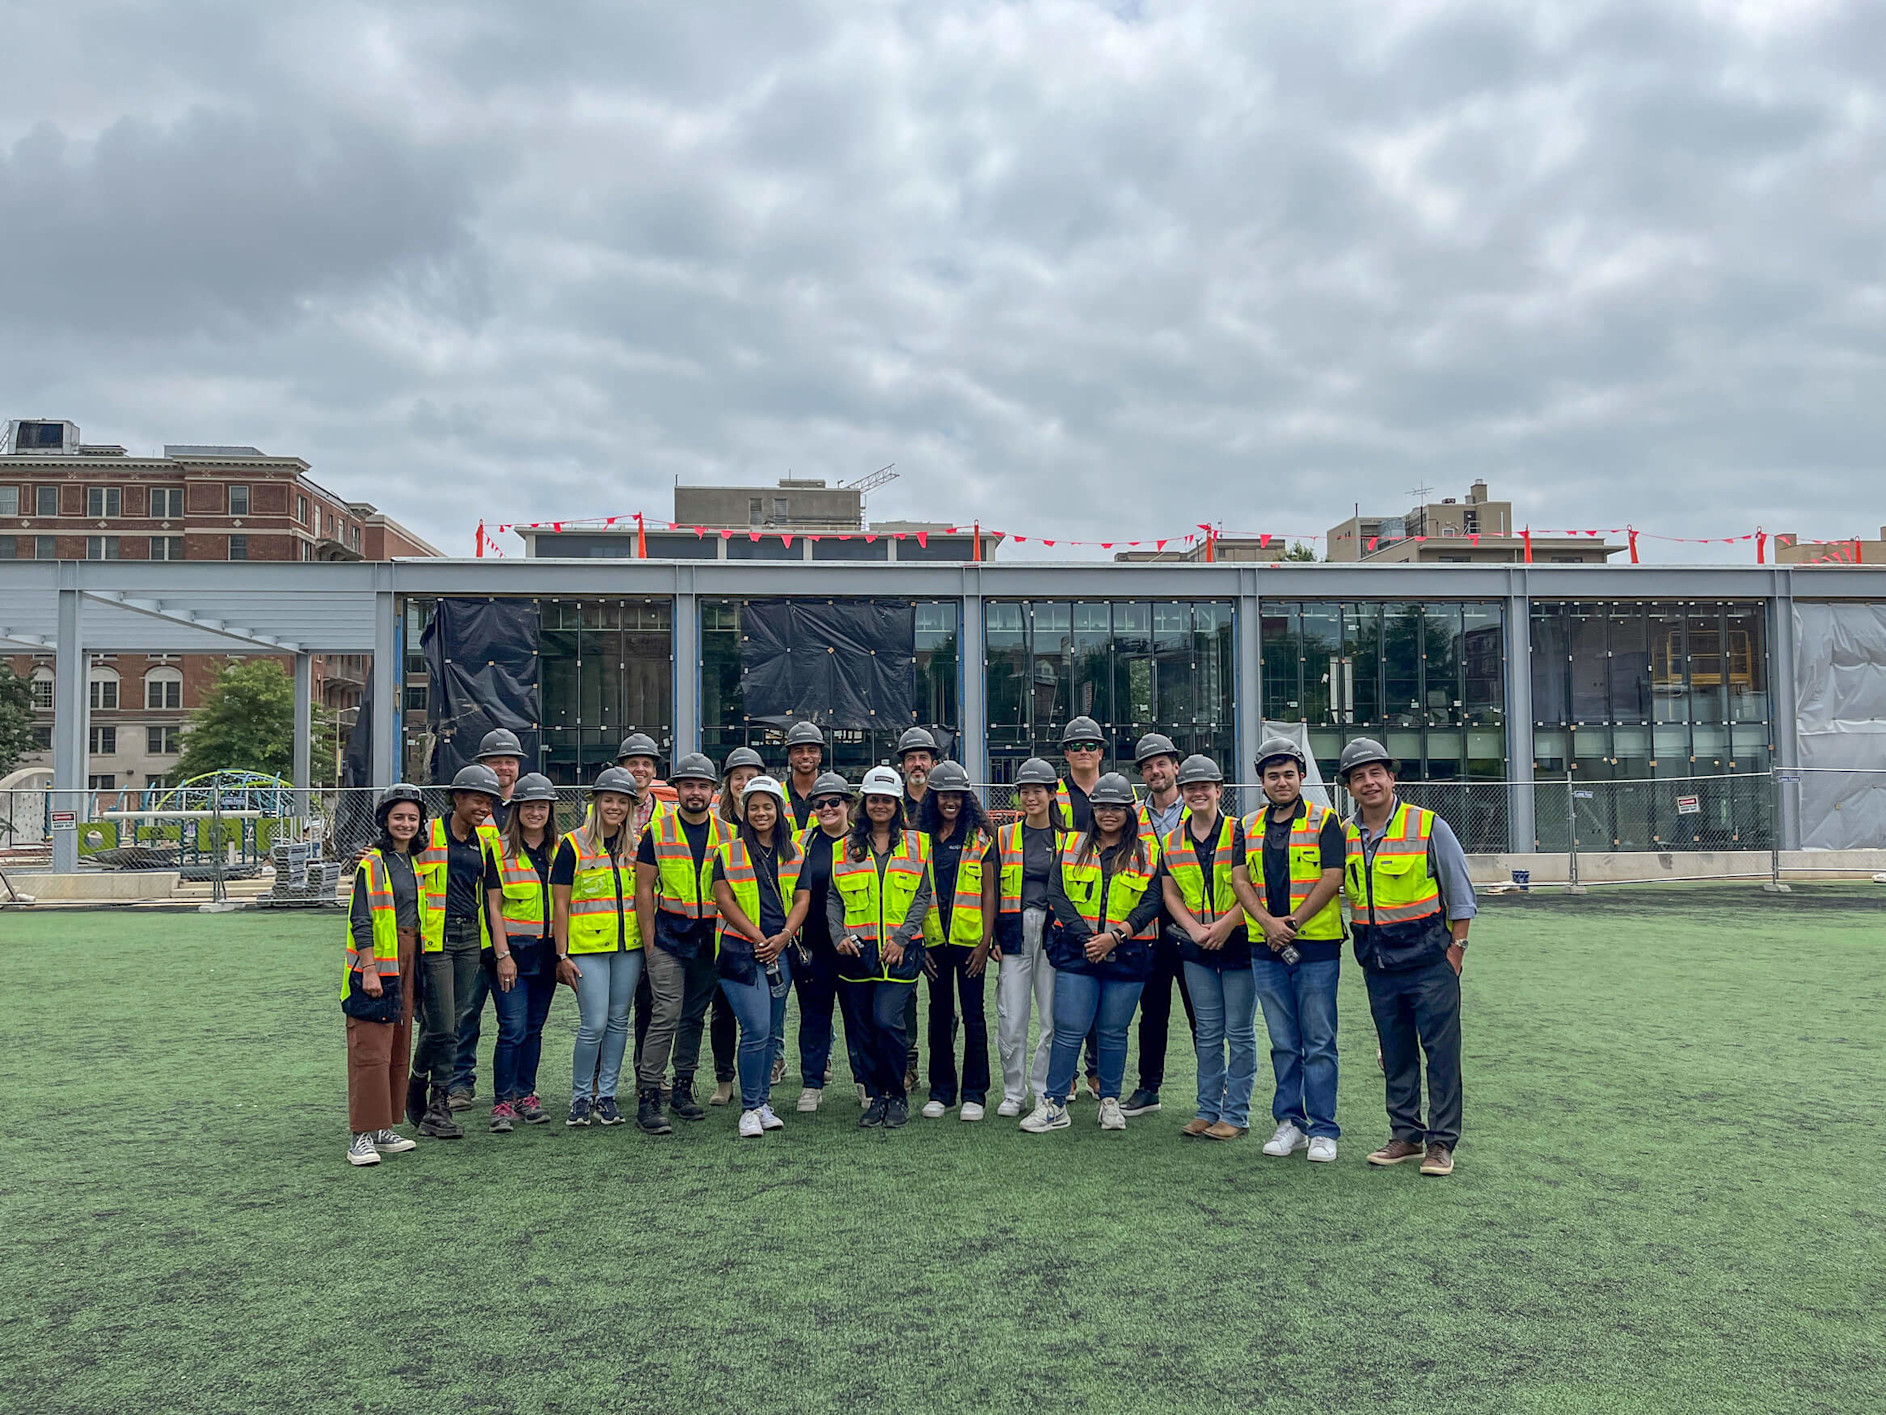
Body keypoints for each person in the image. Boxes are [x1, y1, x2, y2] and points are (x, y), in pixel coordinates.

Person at [1338, 737, 1476, 1177]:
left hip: (1430, 964)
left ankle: (1441, 1143)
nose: (1368, 782)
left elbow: (1460, 893)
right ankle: (1406, 1134)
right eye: (1359, 777)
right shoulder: (1344, 834)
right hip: (1378, 965)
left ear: (1391, 778)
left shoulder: (1427, 825)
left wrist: (1457, 950)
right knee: (1395, 1054)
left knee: (1441, 1054)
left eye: (1376, 773)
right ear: (1349, 787)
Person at [1023, 773, 1162, 1133]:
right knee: (1069, 1029)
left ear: (1129, 811)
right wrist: (1088, 938)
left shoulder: (1147, 852)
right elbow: (1057, 893)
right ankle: (1054, 1103)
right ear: (1093, 810)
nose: (1109, 814)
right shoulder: (1072, 845)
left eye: (1117, 808)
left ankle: (1110, 1101)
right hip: (1077, 951)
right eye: (1102, 807)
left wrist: (1116, 936)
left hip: (1129, 952)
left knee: (1114, 1031)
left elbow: (1153, 900)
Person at [1244, 737, 1346, 1163]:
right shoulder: (1247, 825)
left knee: (1319, 1040)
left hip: (1316, 947)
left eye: (1288, 774)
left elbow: (1332, 876)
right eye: (1273, 775)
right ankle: (1291, 1123)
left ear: (1301, 777)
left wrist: (1293, 924)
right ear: (1262, 782)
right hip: (1265, 947)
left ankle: (1324, 1128)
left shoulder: (1326, 820)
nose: (1281, 782)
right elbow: (1239, 880)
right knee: (1284, 1041)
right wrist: (1269, 925)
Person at [1161, 754, 1262, 1141]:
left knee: (1239, 1032)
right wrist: (1194, 929)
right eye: (1190, 787)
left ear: (1219, 790)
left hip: (1237, 942)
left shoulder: (1242, 833)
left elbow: (1254, 887)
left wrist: (1223, 925)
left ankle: (1235, 1113)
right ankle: (1207, 1110)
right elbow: (1171, 894)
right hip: (1196, 947)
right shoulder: (1171, 842)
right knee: (1206, 1032)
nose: (1197, 792)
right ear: (1182, 792)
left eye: (1205, 786)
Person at [829, 766, 933, 1130]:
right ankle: (874, 1096)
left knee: (887, 1022)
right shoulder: (845, 846)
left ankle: (897, 1094)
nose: (880, 806)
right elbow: (833, 896)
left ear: (898, 804)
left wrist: (902, 937)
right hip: (856, 953)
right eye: (874, 799)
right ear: (864, 803)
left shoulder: (918, 843)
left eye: (887, 800)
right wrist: (837, 934)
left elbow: (923, 895)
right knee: (861, 1029)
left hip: (900, 953)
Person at [633, 753, 728, 1133]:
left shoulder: (728, 833)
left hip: (709, 940)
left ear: (712, 791)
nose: (695, 792)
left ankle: (684, 1087)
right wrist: (650, 942)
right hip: (669, 938)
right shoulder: (658, 832)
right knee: (666, 1013)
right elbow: (644, 889)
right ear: (677, 790)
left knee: (693, 1016)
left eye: (702, 786)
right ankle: (650, 1094)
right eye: (688, 785)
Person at [711, 776, 810, 1137]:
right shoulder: (728, 851)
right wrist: (758, 937)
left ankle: (763, 1102)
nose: (761, 813)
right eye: (754, 807)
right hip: (740, 951)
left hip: (780, 951)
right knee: (754, 1029)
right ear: (744, 811)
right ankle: (750, 1108)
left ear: (779, 809)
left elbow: (802, 899)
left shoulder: (795, 852)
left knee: (769, 1031)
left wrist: (783, 937)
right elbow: (725, 901)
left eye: (767, 806)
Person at [409, 763, 503, 1140]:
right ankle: (428, 1093)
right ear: (457, 798)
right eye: (477, 799)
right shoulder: (427, 833)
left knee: (453, 1021)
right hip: (435, 939)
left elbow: (491, 899)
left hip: (469, 939)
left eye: (489, 801)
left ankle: (428, 1094)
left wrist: (499, 951)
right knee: (443, 1025)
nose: (484, 807)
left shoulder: (485, 842)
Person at [342, 784, 429, 1167]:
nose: (406, 824)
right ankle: (360, 1134)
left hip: (409, 959)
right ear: (385, 821)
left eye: (412, 818)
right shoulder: (372, 862)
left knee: (397, 1045)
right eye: (399, 817)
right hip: (378, 962)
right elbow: (360, 918)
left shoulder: (414, 861)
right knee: (370, 1049)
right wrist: (370, 968)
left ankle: (383, 1126)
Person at [552, 768, 643, 1127]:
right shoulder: (572, 844)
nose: (615, 807)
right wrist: (562, 954)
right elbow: (560, 904)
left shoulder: (636, 846)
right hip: (587, 948)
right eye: (609, 800)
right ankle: (579, 1098)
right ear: (595, 802)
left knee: (619, 1022)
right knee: (594, 1024)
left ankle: (606, 1096)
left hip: (627, 948)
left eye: (623, 801)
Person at [481, 772, 563, 1131]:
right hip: (512, 954)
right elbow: (493, 907)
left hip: (547, 955)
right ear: (517, 810)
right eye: (529, 806)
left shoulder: (561, 850)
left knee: (534, 1028)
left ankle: (526, 1095)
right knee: (511, 1028)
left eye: (542, 806)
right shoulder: (498, 850)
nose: (535, 812)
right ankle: (502, 1102)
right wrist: (502, 956)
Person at [448, 727, 524, 1110]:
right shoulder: (474, 813)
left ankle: (513, 1090)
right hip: (473, 931)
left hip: (518, 929)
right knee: (466, 1013)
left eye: (510, 761)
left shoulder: (528, 806)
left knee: (515, 1022)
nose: (504, 768)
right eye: (496, 761)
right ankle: (461, 1083)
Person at [917, 762, 995, 1121]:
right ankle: (941, 1091)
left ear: (966, 798)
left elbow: (989, 892)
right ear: (932, 798)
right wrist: (919, 944)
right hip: (933, 943)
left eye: (956, 796)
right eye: (943, 795)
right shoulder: (918, 839)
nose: (950, 802)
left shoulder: (981, 836)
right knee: (938, 1014)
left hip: (970, 944)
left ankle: (975, 1094)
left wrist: (984, 942)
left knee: (974, 1015)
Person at [1123, 732, 1195, 1117]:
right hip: (1149, 925)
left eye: (1161, 763)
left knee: (1202, 1011)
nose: (1155, 771)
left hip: (1194, 924)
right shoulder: (1133, 816)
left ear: (1175, 767)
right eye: (1148, 766)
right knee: (1152, 1011)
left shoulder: (1198, 806)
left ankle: (1214, 1094)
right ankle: (1148, 1087)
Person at [991, 757, 1065, 1117]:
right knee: (1012, 1016)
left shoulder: (1069, 839)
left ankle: (1043, 1091)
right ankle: (1013, 1092)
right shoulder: (1004, 835)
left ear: (1052, 794)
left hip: (1054, 936)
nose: (1031, 797)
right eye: (1025, 791)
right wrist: (991, 937)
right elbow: (989, 887)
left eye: (1038, 790)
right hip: (1014, 932)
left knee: (1052, 1018)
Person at [791, 771, 858, 1112]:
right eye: (820, 804)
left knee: (858, 1018)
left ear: (848, 804)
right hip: (813, 945)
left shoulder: (862, 842)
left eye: (835, 802)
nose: (828, 808)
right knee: (814, 1016)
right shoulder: (800, 842)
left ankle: (865, 1082)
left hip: (854, 946)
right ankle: (812, 1084)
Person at [707, 747, 764, 1103]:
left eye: (750, 776)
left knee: (765, 1013)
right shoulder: (717, 823)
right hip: (724, 931)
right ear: (728, 783)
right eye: (737, 777)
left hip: (764, 931)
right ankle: (724, 1079)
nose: (744, 784)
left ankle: (766, 1069)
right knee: (722, 1009)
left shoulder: (771, 816)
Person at [1057, 715, 1106, 1097]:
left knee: (1105, 1002)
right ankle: (1070, 1074)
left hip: (1110, 908)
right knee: (1069, 998)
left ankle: (1096, 1070)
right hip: (1068, 910)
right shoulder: (1055, 795)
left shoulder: (1120, 791)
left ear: (1101, 751)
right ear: (1066, 754)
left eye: (1090, 745)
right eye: (1076, 746)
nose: (1084, 752)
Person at [894, 726, 940, 1093]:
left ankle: (941, 1069)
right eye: (911, 758)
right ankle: (908, 1065)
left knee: (943, 1000)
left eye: (923, 757)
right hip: (903, 916)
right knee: (904, 997)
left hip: (944, 917)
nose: (918, 763)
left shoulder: (946, 801)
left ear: (934, 762)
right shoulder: (892, 803)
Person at [782, 722, 826, 829]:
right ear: (790, 757)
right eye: (798, 751)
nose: (805, 756)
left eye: (812, 750)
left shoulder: (832, 795)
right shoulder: (777, 794)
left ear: (820, 756)